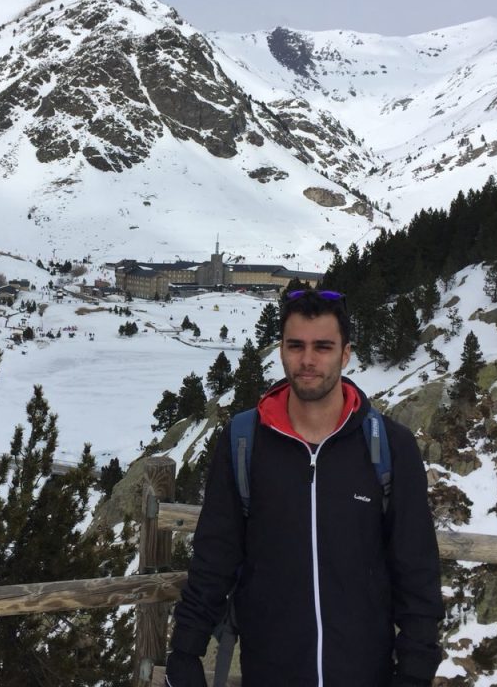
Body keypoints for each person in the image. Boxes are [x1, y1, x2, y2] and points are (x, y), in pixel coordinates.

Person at [166, 289, 443, 686]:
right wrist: (186, 650)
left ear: (346, 354)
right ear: (280, 349)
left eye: (323, 347)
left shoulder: (389, 447)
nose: (308, 360)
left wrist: (415, 671)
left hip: (365, 673)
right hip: (269, 671)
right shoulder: (245, 441)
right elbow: (215, 554)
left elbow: (416, 569)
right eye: (296, 346)